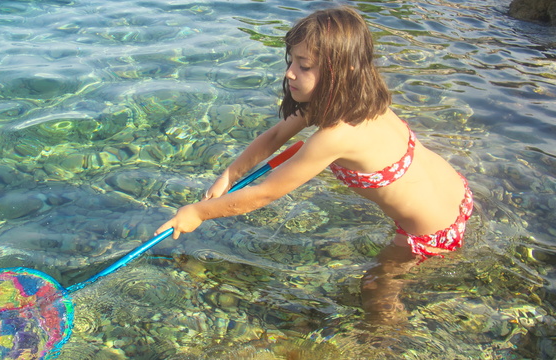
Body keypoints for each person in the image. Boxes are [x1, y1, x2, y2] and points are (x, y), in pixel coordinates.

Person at [155, 6, 473, 262]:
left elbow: (264, 194)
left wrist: (197, 212)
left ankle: (382, 340)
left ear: (342, 69)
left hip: (432, 232)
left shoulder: (335, 136)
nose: (289, 72)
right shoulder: (358, 95)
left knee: (375, 289)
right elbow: (277, 134)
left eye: (304, 65)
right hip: (456, 193)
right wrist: (230, 173)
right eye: (291, 60)